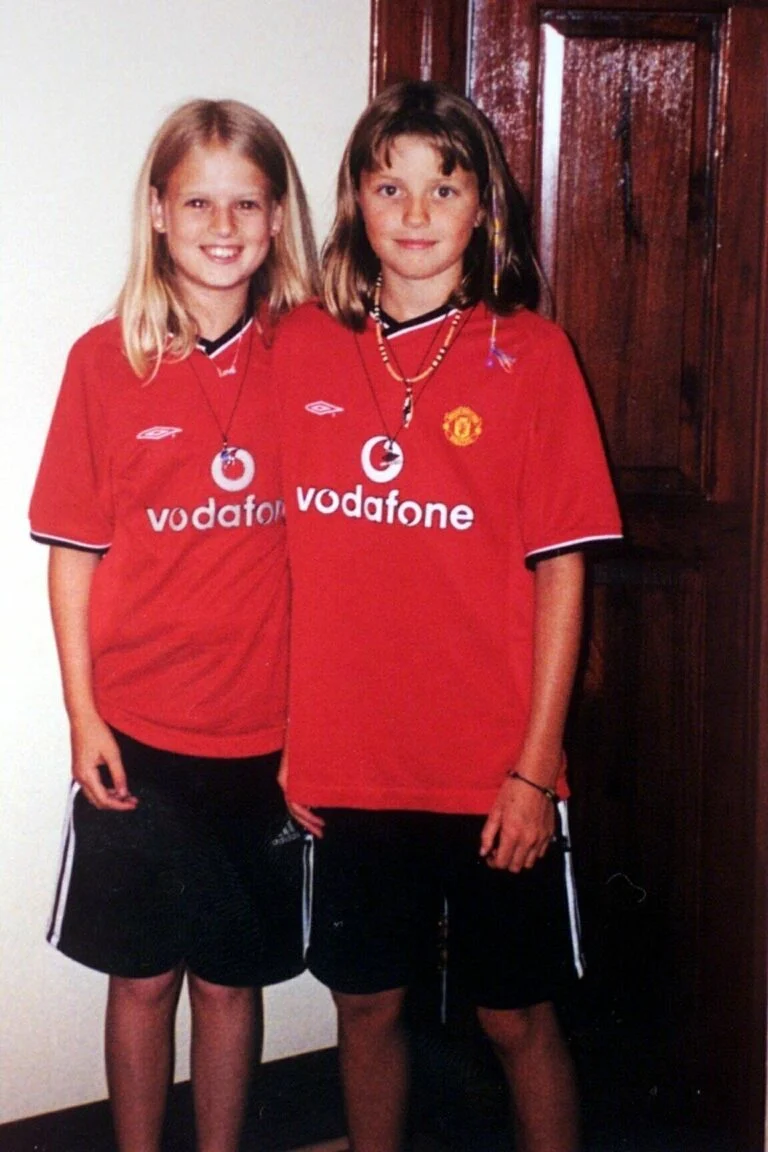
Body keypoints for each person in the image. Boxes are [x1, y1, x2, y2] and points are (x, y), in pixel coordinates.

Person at [273, 81, 622, 1152]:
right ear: (357, 205)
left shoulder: (535, 356)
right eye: (391, 185)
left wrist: (535, 763)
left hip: (491, 774)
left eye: (444, 185)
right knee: (365, 1007)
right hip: (350, 772)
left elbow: (564, 573)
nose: (416, 212)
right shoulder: (303, 350)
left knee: (514, 1016)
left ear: (485, 210)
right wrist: (295, 743)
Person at [29, 99, 318, 1152]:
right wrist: (82, 716)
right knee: (143, 983)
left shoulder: (315, 358)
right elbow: (73, 556)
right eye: (198, 199)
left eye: (247, 200)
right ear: (158, 211)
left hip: (269, 742)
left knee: (232, 988)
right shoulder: (102, 363)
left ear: (279, 216)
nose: (223, 223)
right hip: (139, 737)